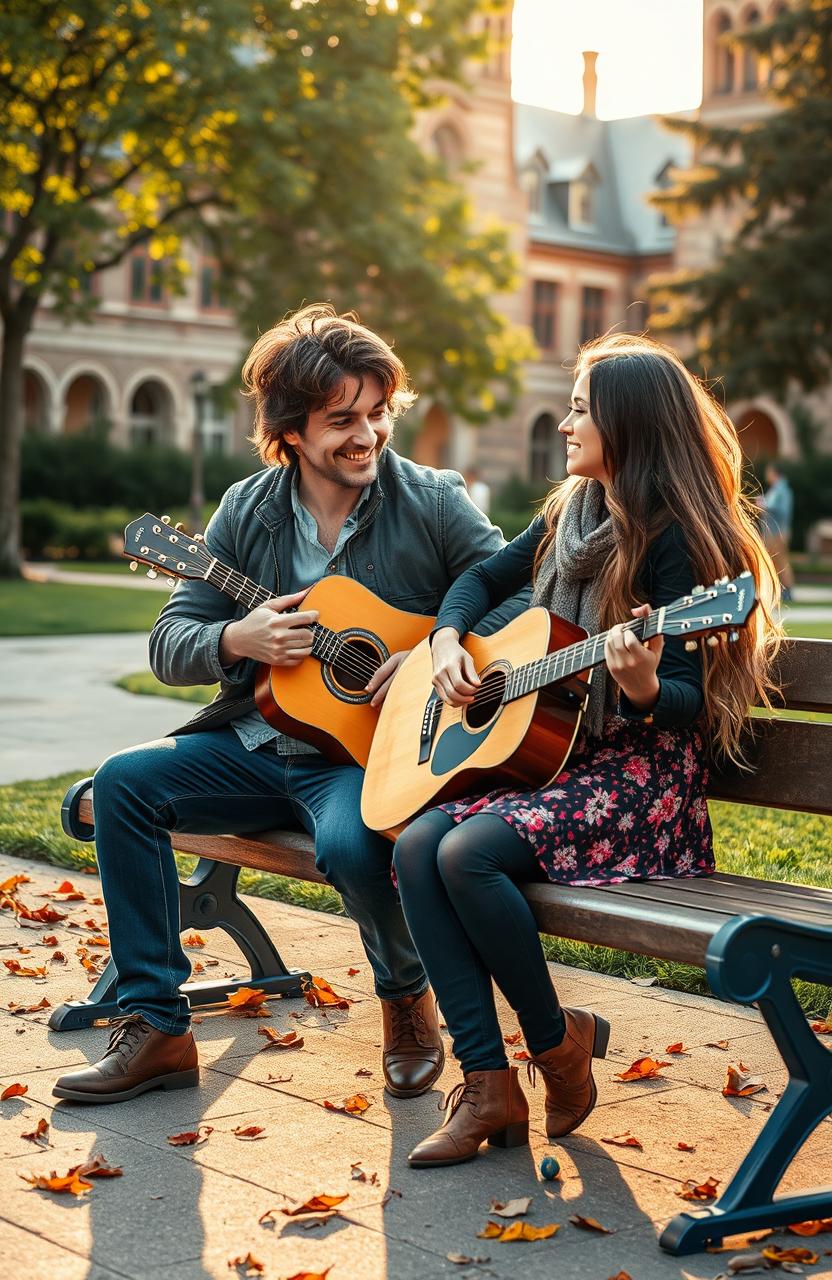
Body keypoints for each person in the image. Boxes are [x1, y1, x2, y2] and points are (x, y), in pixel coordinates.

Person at [53, 304, 526, 1105]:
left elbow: (524, 606)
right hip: (257, 745)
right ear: (291, 433)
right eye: (342, 419)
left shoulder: (433, 501)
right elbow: (173, 641)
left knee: (350, 845)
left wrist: (433, 647)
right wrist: (239, 638)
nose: (367, 436)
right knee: (123, 786)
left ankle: (405, 996)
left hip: (367, 758)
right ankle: (157, 1024)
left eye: (378, 414)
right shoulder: (246, 511)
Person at [392, 333, 782, 1169]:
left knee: (463, 853)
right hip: (568, 764)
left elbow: (685, 706)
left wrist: (641, 683)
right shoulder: (569, 514)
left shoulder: (676, 539)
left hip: (646, 783)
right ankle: (491, 1083)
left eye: (579, 409)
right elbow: (476, 583)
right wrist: (449, 642)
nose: (565, 423)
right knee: (416, 840)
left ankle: (557, 1048)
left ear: (627, 425)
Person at [758, 462, 795, 603]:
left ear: (775, 473)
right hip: (773, 531)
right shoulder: (777, 489)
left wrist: (763, 505)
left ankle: (787, 591)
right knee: (775, 562)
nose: (767, 475)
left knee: (781, 562)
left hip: (777, 532)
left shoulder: (781, 490)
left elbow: (781, 510)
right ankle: (780, 590)